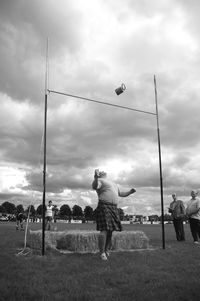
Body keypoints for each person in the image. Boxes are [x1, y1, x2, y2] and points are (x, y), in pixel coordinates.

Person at [92, 169, 136, 260]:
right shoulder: (100, 180)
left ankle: (106, 250)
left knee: (111, 231)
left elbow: (121, 194)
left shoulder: (113, 183)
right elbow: (95, 186)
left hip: (113, 208)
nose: (103, 170)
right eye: (101, 172)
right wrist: (96, 177)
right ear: (99, 175)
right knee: (104, 230)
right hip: (104, 206)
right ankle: (102, 253)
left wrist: (129, 192)